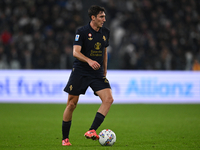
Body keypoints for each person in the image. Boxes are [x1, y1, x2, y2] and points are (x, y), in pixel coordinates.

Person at [62, 5, 114, 146]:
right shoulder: (82, 32)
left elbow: (104, 52)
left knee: (108, 99)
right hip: (80, 71)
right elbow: (75, 52)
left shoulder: (106, 32)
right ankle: (65, 139)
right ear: (93, 18)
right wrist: (89, 61)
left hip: (97, 72)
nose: (104, 19)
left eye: (104, 16)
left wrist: (104, 70)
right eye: (101, 16)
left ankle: (91, 130)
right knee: (72, 104)